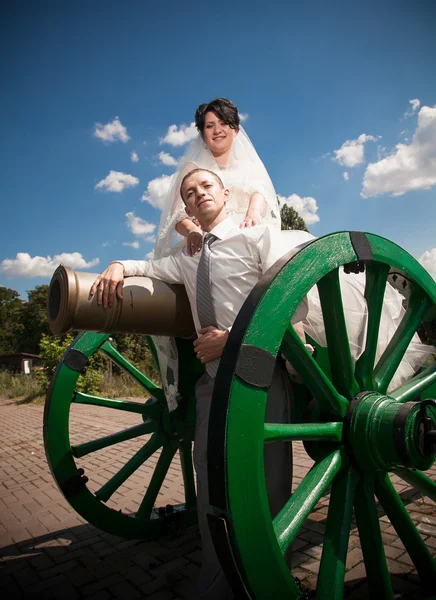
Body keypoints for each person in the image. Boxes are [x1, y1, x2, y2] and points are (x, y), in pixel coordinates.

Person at [90, 168, 311, 600]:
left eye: (206, 186)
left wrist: (231, 339)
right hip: (212, 384)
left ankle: (271, 583)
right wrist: (117, 264)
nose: (199, 194)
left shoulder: (256, 239)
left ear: (225, 194)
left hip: (260, 374)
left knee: (267, 487)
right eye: (190, 193)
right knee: (211, 488)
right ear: (186, 208)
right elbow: (147, 265)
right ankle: (217, 588)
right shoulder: (188, 256)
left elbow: (295, 305)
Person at [154, 98, 281, 411]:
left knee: (283, 266)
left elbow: (260, 197)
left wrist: (251, 216)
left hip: (243, 232)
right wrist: (193, 232)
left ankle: (292, 351)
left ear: (235, 129)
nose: (217, 130)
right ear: (202, 134)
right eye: (209, 126)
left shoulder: (249, 165)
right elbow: (176, 216)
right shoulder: (192, 170)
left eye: (223, 123)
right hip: (202, 238)